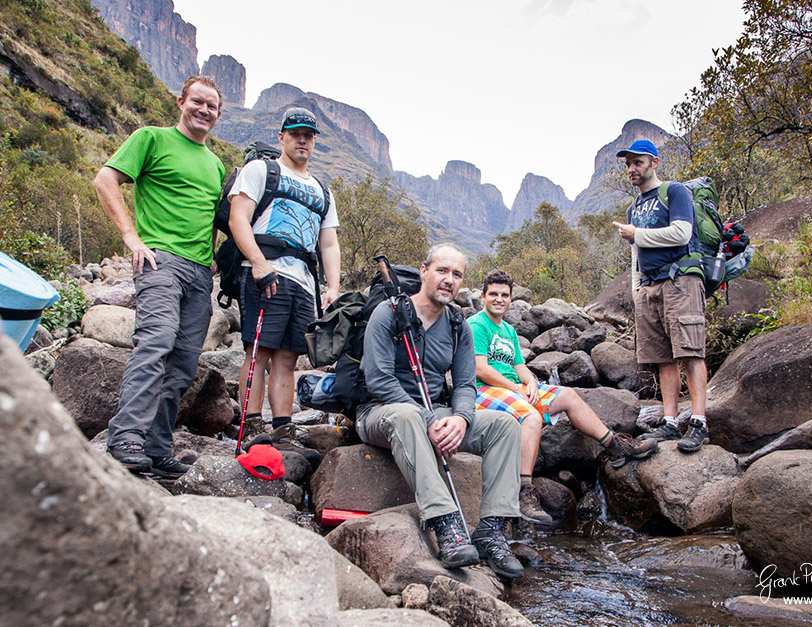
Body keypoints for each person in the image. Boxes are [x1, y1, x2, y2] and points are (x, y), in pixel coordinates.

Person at [356, 244, 525, 579]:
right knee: (408, 416)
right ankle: (446, 524)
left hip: (437, 411)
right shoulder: (389, 313)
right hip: (382, 412)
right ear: (424, 271)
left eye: (457, 274)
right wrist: (430, 420)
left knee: (505, 425)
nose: (449, 280)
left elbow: (465, 385)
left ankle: (492, 529)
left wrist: (460, 418)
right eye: (442, 271)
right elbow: (378, 378)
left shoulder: (458, 326)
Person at [95, 76, 226, 478]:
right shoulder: (151, 138)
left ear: (218, 116)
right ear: (181, 102)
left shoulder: (217, 165)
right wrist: (130, 236)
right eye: (197, 102)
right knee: (156, 340)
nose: (204, 110)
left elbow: (211, 217)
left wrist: (215, 261)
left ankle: (156, 445)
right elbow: (105, 179)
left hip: (199, 274)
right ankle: (125, 438)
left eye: (212, 107)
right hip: (160, 262)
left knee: (185, 362)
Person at [470, 269, 658, 525]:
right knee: (531, 416)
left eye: (504, 295)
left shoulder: (509, 331)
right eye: (493, 294)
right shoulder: (476, 325)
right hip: (484, 390)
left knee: (568, 395)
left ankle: (616, 447)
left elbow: (519, 367)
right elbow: (480, 368)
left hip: (512, 387)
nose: (499, 299)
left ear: (511, 297)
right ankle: (524, 491)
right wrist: (514, 388)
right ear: (483, 296)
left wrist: (530, 383)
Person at [228, 107, 340, 461]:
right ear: (282, 137)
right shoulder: (261, 170)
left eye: (308, 134)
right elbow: (238, 218)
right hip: (264, 271)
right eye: (295, 134)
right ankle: (250, 424)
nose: (302, 139)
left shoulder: (323, 190)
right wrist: (259, 264)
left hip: (303, 282)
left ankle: (282, 427)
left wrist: (332, 287)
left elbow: (329, 242)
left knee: (289, 358)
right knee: (258, 350)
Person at [613, 139, 709, 452]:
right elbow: (636, 253)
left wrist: (636, 234)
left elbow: (681, 232)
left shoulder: (675, 191)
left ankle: (697, 421)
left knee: (690, 351)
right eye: (628, 163)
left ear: (654, 162)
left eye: (638, 162)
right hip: (649, 287)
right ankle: (670, 421)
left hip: (681, 280)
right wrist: (636, 287)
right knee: (663, 358)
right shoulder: (634, 207)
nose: (631, 168)